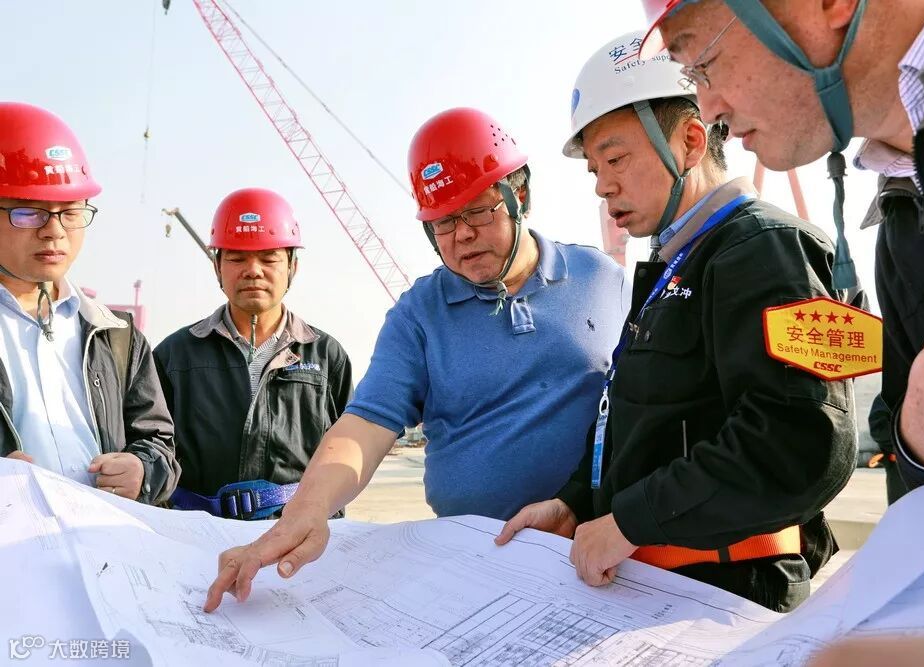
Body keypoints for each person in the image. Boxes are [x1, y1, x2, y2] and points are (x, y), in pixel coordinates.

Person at [202, 107, 628, 611]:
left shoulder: (602, 280)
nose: (462, 235)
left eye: (478, 211)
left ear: (522, 197)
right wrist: (307, 511)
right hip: (475, 560)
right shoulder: (420, 314)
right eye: (443, 222)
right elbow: (365, 426)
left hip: (597, 554)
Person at [498, 34, 856, 612]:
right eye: (594, 168)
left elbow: (803, 442)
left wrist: (631, 521)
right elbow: (651, 426)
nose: (602, 184)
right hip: (657, 591)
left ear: (690, 141)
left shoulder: (769, 248)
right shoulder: (674, 268)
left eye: (616, 159)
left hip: (729, 596)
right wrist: (575, 505)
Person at [639, 0, 924, 492]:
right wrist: (921, 443)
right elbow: (902, 446)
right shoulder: (902, 221)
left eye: (704, 64)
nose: (709, 109)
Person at [0, 102, 178, 503]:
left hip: (107, 536)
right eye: (28, 212)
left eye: (70, 212)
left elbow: (159, 443)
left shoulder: (116, 336)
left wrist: (142, 471)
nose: (54, 231)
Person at [153, 188, 353, 520]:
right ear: (217, 266)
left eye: (269, 258)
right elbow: (152, 448)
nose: (253, 270)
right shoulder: (175, 356)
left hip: (294, 532)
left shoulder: (326, 356)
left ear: (292, 266)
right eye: (237, 258)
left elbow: (345, 454)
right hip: (197, 532)